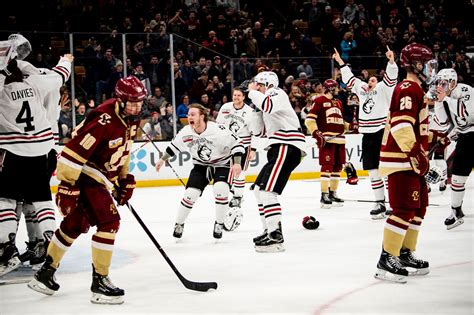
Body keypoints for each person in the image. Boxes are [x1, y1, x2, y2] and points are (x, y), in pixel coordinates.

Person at [28, 76, 147, 305]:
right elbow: (73, 152)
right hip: (85, 174)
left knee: (74, 225)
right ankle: (100, 282)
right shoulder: (104, 118)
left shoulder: (130, 118)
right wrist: (67, 186)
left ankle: (45, 273)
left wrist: (122, 179)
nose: (135, 106)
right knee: (109, 222)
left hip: (100, 177)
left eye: (139, 102)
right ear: (120, 99)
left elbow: (125, 150)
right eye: (131, 102)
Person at [0, 35, 72, 276]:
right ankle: (43, 247)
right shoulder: (39, 81)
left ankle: (5, 249)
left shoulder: (4, 87)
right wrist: (67, 62)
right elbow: (60, 75)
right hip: (44, 147)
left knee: (8, 199)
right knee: (38, 198)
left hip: (13, 149)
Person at [375, 43, 435, 283]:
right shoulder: (409, 88)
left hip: (410, 160)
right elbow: (401, 126)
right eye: (428, 64)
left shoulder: (416, 89)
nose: (431, 69)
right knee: (403, 209)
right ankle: (386, 258)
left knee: (418, 208)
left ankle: (404, 251)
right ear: (416, 65)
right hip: (402, 160)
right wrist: (415, 154)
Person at [155, 104, 244, 240]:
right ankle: (179, 224)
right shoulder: (186, 131)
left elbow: (237, 143)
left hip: (223, 164)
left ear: (202, 116)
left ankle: (219, 223)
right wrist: (162, 159)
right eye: (188, 114)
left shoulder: (217, 129)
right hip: (200, 165)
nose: (189, 117)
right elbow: (174, 146)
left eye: (192, 114)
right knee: (190, 194)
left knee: (221, 189)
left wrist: (237, 163)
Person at [334, 46, 398, 219]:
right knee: (372, 170)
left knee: (386, 169)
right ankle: (379, 203)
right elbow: (350, 79)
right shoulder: (362, 89)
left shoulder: (384, 88)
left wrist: (391, 62)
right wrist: (340, 62)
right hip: (367, 133)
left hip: (381, 131)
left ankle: (393, 203)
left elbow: (391, 78)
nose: (370, 82)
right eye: (369, 80)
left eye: (373, 81)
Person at [247, 71, 307, 253]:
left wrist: (251, 92)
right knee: (259, 190)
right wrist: (255, 110)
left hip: (286, 145)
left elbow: (268, 105)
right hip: (278, 146)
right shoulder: (263, 101)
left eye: (257, 83)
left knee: (267, 191)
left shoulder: (276, 92)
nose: (255, 86)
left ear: (266, 83)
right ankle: (268, 230)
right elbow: (257, 132)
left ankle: (275, 235)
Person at [305, 79, 358, 208]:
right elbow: (309, 120)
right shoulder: (319, 101)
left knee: (337, 168)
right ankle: (324, 195)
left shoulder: (338, 102)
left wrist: (350, 126)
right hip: (327, 140)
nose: (338, 90)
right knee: (327, 167)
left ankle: (333, 193)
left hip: (340, 139)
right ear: (330, 89)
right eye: (336, 88)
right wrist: (316, 133)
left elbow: (339, 121)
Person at [434, 68, 474, 230]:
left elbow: (466, 113)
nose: (440, 85)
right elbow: (442, 123)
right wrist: (438, 102)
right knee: (457, 177)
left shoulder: (465, 90)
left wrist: (445, 99)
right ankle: (456, 211)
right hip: (466, 138)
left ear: (452, 82)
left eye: (443, 82)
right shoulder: (447, 96)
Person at [216, 87, 256, 213]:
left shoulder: (250, 112)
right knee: (226, 170)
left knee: (240, 171)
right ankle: (235, 189)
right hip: (228, 144)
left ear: (244, 97)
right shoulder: (225, 107)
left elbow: (254, 132)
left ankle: (238, 196)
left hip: (244, 145)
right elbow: (218, 125)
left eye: (239, 95)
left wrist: (253, 149)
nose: (236, 97)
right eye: (234, 95)